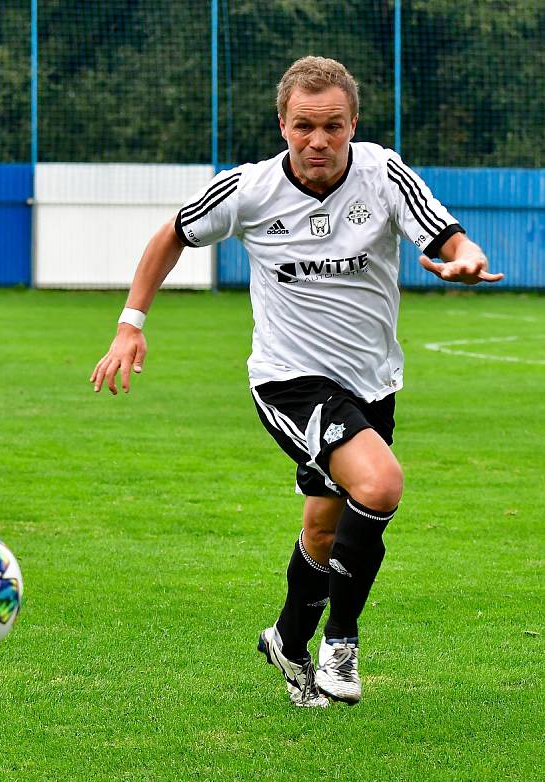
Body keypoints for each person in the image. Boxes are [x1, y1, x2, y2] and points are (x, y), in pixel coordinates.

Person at [90, 56, 502, 707]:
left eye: (332, 126)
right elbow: (170, 234)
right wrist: (129, 322)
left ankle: (287, 639)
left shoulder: (382, 174)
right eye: (304, 125)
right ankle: (342, 644)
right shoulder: (248, 189)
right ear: (283, 124)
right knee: (381, 483)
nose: (318, 140)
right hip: (289, 381)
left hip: (372, 384)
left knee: (323, 530)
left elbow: (447, 235)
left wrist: (467, 259)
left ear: (352, 124)